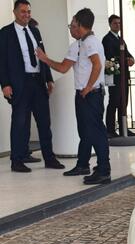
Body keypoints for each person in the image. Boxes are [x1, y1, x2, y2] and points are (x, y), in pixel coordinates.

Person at [36, 8, 111, 185]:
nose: (70, 28)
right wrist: (46, 60)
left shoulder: (90, 43)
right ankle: (83, 164)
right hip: (84, 95)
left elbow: (97, 66)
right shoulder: (79, 44)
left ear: (80, 26)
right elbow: (63, 68)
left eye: (73, 24)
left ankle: (103, 170)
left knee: (96, 133)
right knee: (85, 132)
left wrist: (88, 87)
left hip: (90, 94)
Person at [0, 0, 64, 173]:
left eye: (28, 11)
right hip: (20, 83)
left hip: (38, 82)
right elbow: (2, 62)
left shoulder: (35, 31)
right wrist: (5, 84)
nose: (26, 15)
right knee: (20, 122)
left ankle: (49, 158)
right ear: (14, 12)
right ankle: (17, 160)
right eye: (23, 11)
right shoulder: (5, 33)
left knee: (44, 122)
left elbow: (43, 56)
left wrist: (49, 78)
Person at [102, 14, 135, 138]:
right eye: (115, 23)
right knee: (114, 102)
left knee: (123, 103)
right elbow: (109, 57)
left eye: (119, 23)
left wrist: (131, 59)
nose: (118, 25)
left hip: (123, 76)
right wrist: (124, 60)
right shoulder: (107, 39)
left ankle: (124, 129)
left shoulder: (120, 39)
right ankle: (110, 130)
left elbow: (127, 53)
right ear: (110, 24)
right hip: (115, 76)